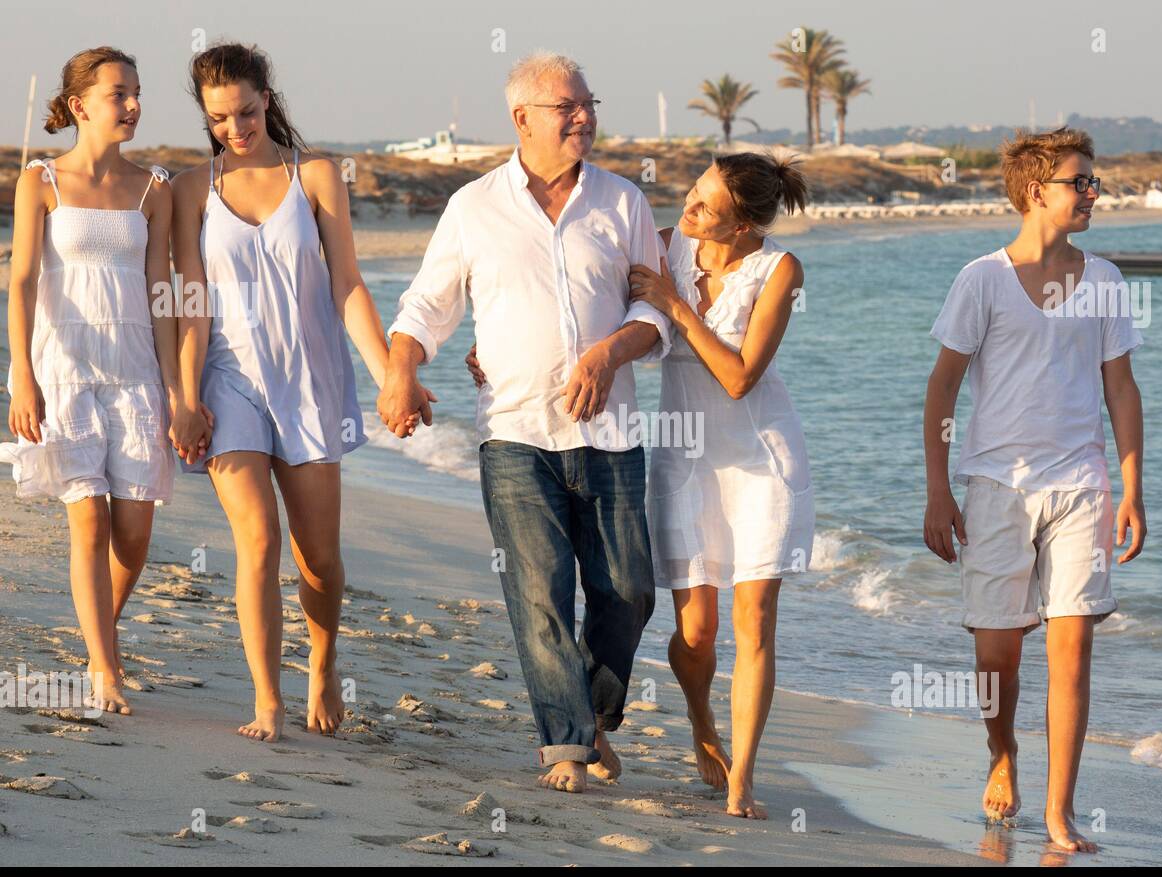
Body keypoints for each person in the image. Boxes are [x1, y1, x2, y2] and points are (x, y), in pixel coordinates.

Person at [378, 52, 670, 794]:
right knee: (539, 591)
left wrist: (608, 354)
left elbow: (656, 310)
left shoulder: (622, 201)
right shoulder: (473, 207)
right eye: (567, 107)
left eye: (588, 103)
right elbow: (426, 306)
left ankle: (593, 715)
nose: (584, 117)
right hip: (514, 434)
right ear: (522, 120)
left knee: (631, 590)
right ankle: (565, 745)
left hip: (611, 437)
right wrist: (401, 371)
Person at [922, 127, 1146, 853]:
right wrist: (937, 492)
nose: (1092, 192)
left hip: (1081, 482)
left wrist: (1132, 487)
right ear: (1035, 191)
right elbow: (942, 394)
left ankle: (1060, 811)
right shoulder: (980, 279)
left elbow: (1121, 387)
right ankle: (1001, 753)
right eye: (1080, 181)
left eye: (1093, 181)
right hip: (996, 484)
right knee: (997, 657)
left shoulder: (1106, 279)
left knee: (1072, 648)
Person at [171, 43, 402, 742]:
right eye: (219, 119)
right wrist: (185, 395)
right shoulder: (191, 188)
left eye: (245, 111)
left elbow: (348, 284)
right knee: (257, 540)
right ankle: (267, 699)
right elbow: (190, 299)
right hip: (228, 381)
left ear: (267, 98)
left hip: (310, 383)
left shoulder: (317, 176)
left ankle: (323, 662)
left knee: (319, 558)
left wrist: (391, 370)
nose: (235, 128)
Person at [624, 152, 812, 819]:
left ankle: (743, 780)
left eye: (708, 207)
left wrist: (676, 305)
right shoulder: (668, 245)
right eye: (694, 193)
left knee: (753, 619)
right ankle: (703, 721)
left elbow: (739, 377)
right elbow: (596, 313)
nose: (690, 209)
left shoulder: (778, 270)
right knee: (697, 632)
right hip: (684, 460)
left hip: (761, 462)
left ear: (743, 227)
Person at [1, 47, 178, 716]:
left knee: (134, 532)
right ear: (80, 105)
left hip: (134, 374)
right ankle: (105, 668)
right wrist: (22, 375)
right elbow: (19, 282)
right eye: (118, 94)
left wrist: (174, 389)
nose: (132, 105)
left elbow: (159, 286)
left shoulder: (153, 186)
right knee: (91, 525)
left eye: (136, 92)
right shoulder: (40, 180)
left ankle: (98, 632)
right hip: (65, 369)